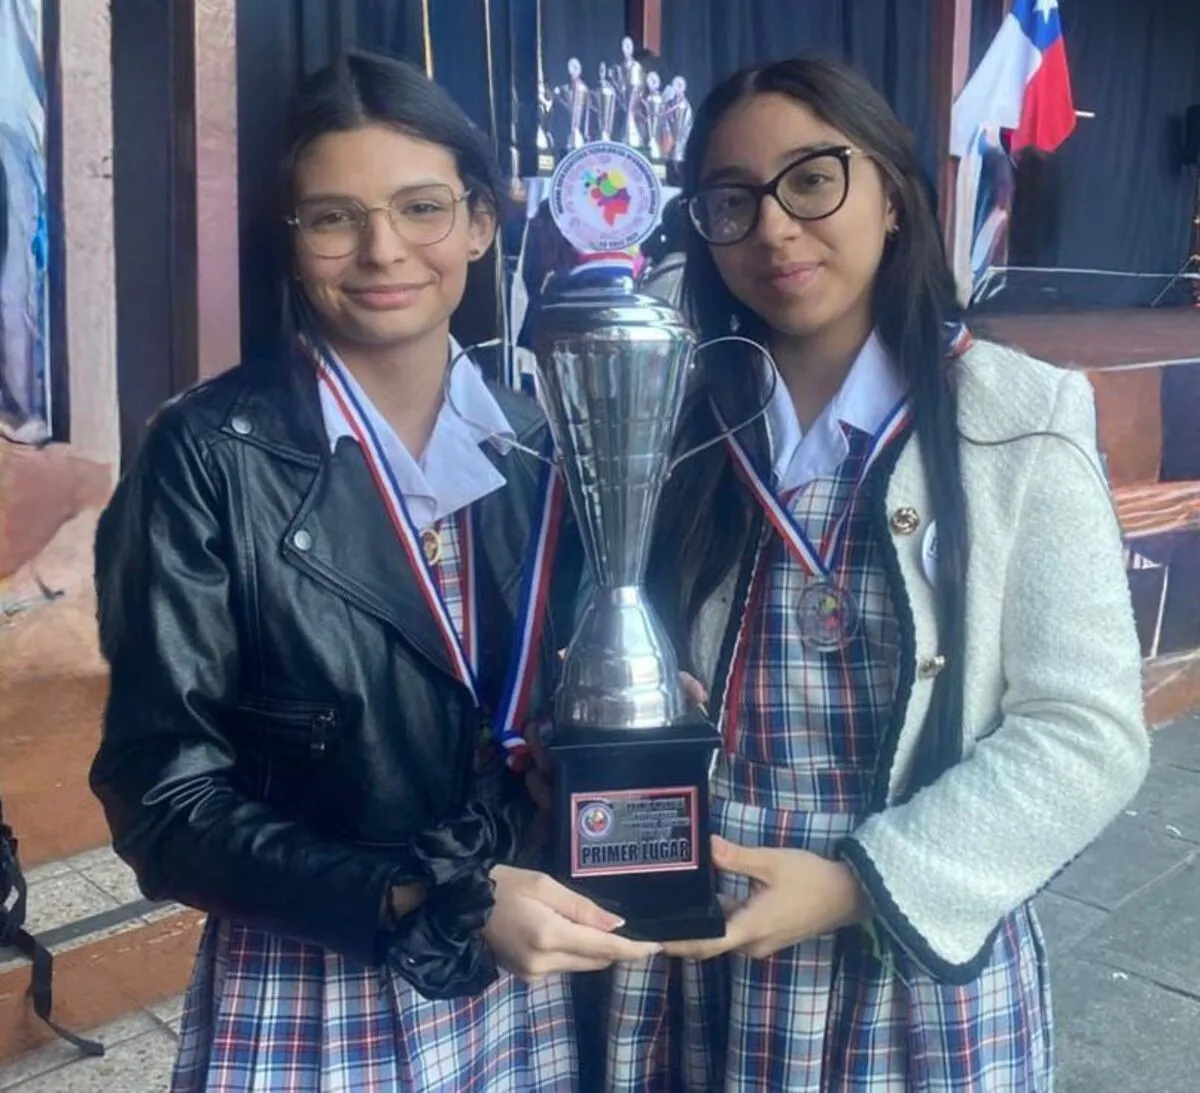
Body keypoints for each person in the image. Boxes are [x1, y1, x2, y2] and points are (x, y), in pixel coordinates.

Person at [90, 51, 657, 1093]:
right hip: (317, 973)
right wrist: (419, 896)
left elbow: (532, 718)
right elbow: (162, 802)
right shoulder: (208, 454)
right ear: (292, 240)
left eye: (423, 207)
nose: (383, 250)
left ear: (482, 225)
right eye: (333, 217)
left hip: (524, 970)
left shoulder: (542, 445)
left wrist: (627, 717)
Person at [601, 56, 1149, 1091]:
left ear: (892, 194)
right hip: (699, 938)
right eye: (731, 200)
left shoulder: (1016, 416)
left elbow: (1088, 730)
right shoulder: (675, 425)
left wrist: (860, 881)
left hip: (905, 948)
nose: (772, 228)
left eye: (811, 179)